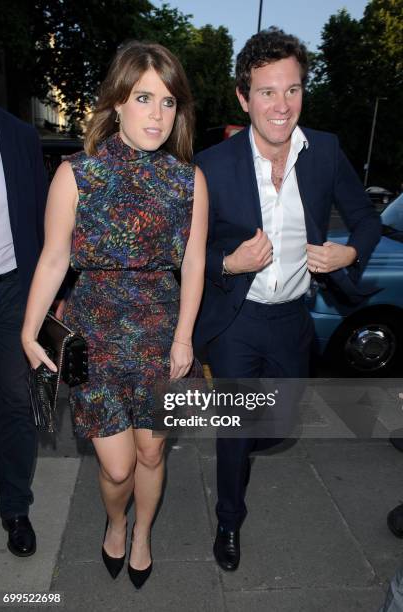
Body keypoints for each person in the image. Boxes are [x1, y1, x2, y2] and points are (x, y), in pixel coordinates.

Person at [193, 27, 381, 572]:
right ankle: (228, 520)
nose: (281, 105)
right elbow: (185, 252)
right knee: (237, 429)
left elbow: (365, 220)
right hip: (236, 319)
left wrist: (348, 255)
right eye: (267, 92)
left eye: (292, 90)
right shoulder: (212, 164)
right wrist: (230, 263)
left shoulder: (325, 151)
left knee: (278, 423)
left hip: (293, 317)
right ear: (243, 98)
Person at [21, 41, 208, 587]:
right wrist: (28, 329)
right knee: (118, 465)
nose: (157, 113)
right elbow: (54, 257)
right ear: (118, 102)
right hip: (94, 336)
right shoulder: (75, 176)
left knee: (151, 455)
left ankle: (143, 533)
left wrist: (184, 337)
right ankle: (115, 522)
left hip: (160, 334)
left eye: (169, 102)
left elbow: (194, 263)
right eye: (144, 97)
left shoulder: (187, 180)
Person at [0, 106, 48, 556]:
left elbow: (43, 221)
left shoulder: (19, 136)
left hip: (13, 288)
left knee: (16, 400)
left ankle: (15, 507)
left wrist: (53, 292)